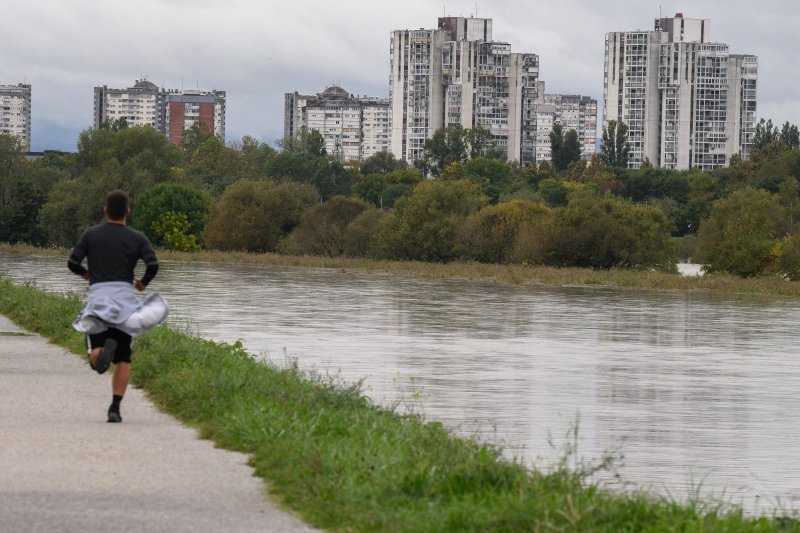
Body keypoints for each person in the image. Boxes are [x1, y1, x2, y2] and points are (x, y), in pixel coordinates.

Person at [68, 189, 167, 423]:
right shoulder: (137, 238)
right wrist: (142, 283)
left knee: (95, 355)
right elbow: (153, 265)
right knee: (124, 358)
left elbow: (72, 262)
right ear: (128, 212)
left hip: (99, 299)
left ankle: (101, 353)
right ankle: (115, 408)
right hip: (125, 302)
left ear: (105, 211)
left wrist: (85, 274)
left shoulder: (91, 235)